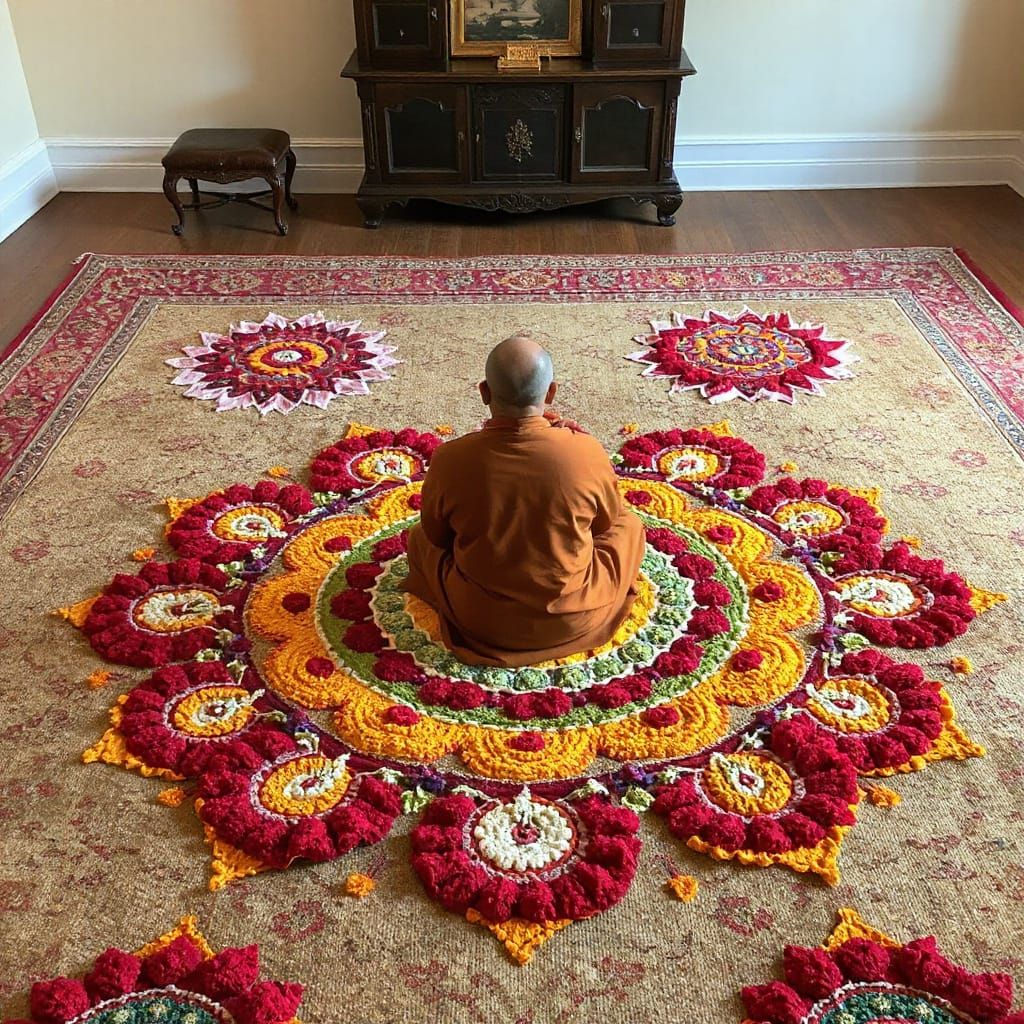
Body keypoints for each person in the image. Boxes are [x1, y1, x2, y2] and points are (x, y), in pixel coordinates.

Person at [403, 334, 645, 667]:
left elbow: (436, 536)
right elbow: (604, 524)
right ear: (551, 392)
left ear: (484, 392)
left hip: (481, 619)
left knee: (416, 540)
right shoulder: (584, 451)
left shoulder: (450, 458)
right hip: (573, 616)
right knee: (629, 525)